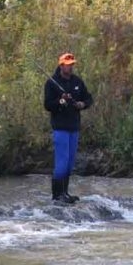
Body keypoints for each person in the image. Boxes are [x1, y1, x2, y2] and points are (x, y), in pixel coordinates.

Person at [44, 52, 93, 204]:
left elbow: (89, 98)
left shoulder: (78, 81)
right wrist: (60, 101)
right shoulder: (51, 83)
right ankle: (56, 195)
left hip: (74, 127)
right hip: (60, 127)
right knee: (61, 163)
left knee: (70, 163)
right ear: (61, 65)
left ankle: (65, 192)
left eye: (72, 64)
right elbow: (48, 105)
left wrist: (82, 104)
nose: (70, 67)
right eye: (67, 65)